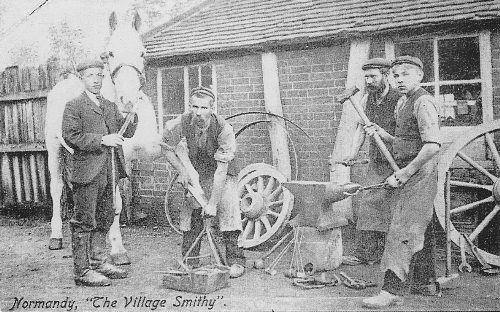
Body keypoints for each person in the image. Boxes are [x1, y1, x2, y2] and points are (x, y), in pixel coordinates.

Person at [361, 56, 441, 308]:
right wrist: (382, 134)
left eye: (405, 74)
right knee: (417, 225)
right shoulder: (403, 102)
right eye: (396, 75)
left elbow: (431, 146)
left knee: (401, 228)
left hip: (420, 173)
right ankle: (425, 282)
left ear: (420, 76)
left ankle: (391, 291)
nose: (399, 79)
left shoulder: (423, 102)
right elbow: (404, 141)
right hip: (409, 170)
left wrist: (405, 173)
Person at [62, 58, 137, 286]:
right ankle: (82, 271)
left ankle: (99, 261)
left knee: (105, 218)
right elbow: (72, 136)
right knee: (84, 221)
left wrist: (131, 115)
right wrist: (103, 139)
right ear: (82, 79)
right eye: (90, 76)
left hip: (109, 171)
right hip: (87, 173)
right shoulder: (74, 106)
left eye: (99, 76)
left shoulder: (109, 106)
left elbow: (127, 132)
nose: (95, 80)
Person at [162, 86, 245, 278]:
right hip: (197, 170)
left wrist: (213, 203)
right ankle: (190, 261)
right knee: (191, 209)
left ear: (212, 108)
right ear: (190, 106)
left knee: (227, 208)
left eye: (204, 108)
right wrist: (182, 171)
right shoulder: (180, 122)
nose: (199, 112)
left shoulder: (224, 129)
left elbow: (221, 171)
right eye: (195, 107)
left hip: (222, 171)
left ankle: (236, 261)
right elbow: (165, 147)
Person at [343, 58, 401, 265]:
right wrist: (353, 152)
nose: (368, 81)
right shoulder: (368, 99)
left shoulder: (399, 99)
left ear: (385, 76)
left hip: (399, 160)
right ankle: (366, 254)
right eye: (366, 77)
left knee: (396, 206)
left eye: (373, 76)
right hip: (378, 160)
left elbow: (406, 135)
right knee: (368, 203)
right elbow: (361, 128)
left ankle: (392, 256)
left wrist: (383, 133)